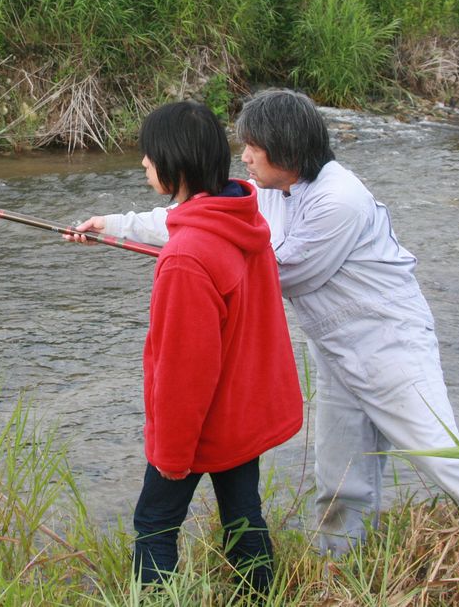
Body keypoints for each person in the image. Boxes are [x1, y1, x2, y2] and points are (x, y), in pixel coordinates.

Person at [70, 89, 459, 586]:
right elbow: (199, 219)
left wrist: (195, 258)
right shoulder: (273, 191)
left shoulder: (340, 199)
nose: (243, 156)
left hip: (389, 345)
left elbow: (267, 271)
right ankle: (346, 573)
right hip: (335, 346)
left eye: (253, 146)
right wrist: (113, 225)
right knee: (339, 479)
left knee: (444, 457)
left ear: (286, 151)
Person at [80, 100, 302, 593]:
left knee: (153, 525)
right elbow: (181, 222)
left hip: (201, 427)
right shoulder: (244, 221)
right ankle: (258, 599)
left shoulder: (185, 260)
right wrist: (111, 225)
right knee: (244, 519)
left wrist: (171, 456)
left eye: (149, 154)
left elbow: (184, 374)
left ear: (174, 163)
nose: (142, 162)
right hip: (243, 414)